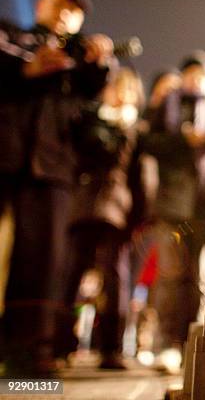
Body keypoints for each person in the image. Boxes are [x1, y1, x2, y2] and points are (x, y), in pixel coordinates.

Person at [0, 0, 113, 376]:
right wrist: (25, 69)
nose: (67, 14)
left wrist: (101, 65)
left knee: (43, 258)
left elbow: (91, 102)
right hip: (7, 152)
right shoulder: (11, 35)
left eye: (75, 11)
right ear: (40, 4)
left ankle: (28, 350)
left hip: (52, 166)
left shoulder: (79, 61)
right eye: (60, 3)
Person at [141, 51, 205, 369]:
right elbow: (147, 142)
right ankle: (166, 344)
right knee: (170, 275)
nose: (196, 79)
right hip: (171, 205)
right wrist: (181, 139)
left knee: (199, 277)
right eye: (191, 73)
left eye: (202, 74)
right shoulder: (169, 105)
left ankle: (192, 346)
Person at [59, 67, 146, 369]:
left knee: (115, 277)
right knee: (71, 273)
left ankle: (112, 348)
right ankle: (59, 344)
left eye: (128, 89)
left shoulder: (136, 130)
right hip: (84, 203)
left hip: (116, 209)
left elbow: (140, 178)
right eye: (116, 87)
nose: (121, 94)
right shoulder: (90, 118)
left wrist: (138, 217)